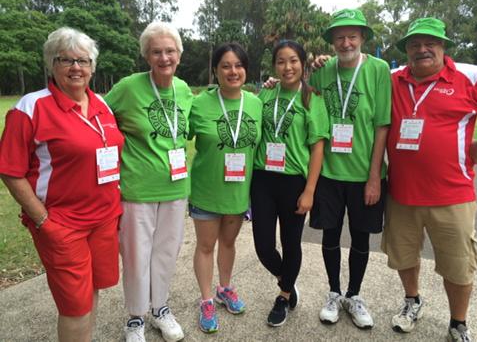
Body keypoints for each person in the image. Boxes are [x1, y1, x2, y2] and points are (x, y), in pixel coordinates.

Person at [0, 27, 124, 341]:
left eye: (83, 60)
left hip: (104, 220)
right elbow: (10, 170)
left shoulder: (101, 105)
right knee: (75, 307)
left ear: (93, 67)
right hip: (63, 224)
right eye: (65, 60)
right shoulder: (31, 107)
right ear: (51, 65)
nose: (75, 67)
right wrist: (43, 219)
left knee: (93, 291)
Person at [382, 17, 477, 342]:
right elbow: (347, 79)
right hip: (402, 195)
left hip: (453, 195)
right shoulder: (390, 79)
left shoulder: (470, 76)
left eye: (430, 43)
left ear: (443, 46)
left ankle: (458, 322)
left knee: (458, 266)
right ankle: (412, 301)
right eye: (414, 45)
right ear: (406, 51)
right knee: (404, 256)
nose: (422, 49)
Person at [104, 22, 193, 342]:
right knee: (137, 255)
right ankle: (135, 317)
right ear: (146, 56)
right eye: (156, 51)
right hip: (137, 189)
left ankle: (160, 309)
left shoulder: (184, 90)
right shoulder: (129, 87)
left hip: (176, 187)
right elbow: (98, 113)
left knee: (166, 253)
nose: (164, 57)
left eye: (170, 51)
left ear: (179, 55)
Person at [310, 8, 391, 329]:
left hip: (364, 175)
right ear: (332, 41)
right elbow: (302, 99)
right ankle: (334, 292)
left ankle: (354, 295)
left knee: (360, 237)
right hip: (329, 173)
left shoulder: (378, 69)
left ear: (362, 39)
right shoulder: (322, 70)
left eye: (352, 36)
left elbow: (382, 124)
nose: (346, 42)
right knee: (330, 234)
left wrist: (375, 177)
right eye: (339, 37)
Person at [251, 40, 328, 327]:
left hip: (294, 180)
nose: (288, 67)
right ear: (274, 66)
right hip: (263, 179)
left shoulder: (312, 99)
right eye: (281, 61)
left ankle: (283, 296)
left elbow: (317, 147)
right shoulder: (266, 95)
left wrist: (309, 190)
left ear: (303, 64)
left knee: (291, 241)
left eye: (293, 60)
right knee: (263, 245)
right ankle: (288, 279)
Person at [188, 43, 262, 333]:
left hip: (239, 190)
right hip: (207, 189)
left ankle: (225, 288)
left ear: (246, 69)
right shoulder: (198, 104)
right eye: (226, 66)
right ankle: (206, 299)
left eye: (238, 65)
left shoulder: (256, 103)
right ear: (216, 71)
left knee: (228, 244)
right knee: (206, 246)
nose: (233, 71)